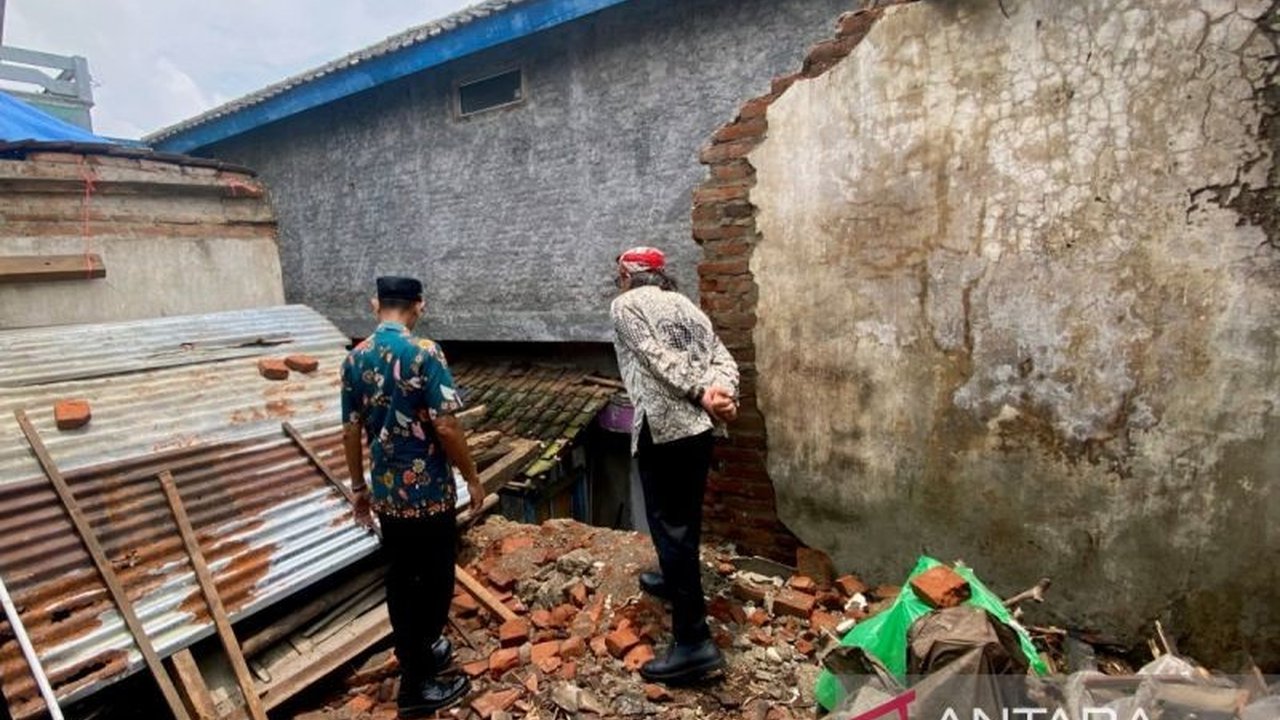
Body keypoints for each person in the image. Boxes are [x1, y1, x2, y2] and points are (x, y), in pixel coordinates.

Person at [340, 276, 486, 717]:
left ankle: (419, 652)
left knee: (403, 579)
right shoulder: (425, 352)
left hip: (388, 495)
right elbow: (446, 424)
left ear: (376, 304)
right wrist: (472, 477)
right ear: (419, 305)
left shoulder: (354, 358)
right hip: (428, 494)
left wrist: (359, 489)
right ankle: (417, 686)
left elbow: (350, 430)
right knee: (435, 581)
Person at [610, 246, 740, 684]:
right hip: (700, 431)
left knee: (670, 528)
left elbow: (654, 358)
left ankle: (693, 643)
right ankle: (672, 580)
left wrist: (702, 393)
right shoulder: (687, 306)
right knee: (685, 521)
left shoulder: (625, 305)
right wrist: (722, 394)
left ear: (627, 275)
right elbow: (724, 358)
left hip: (664, 430)